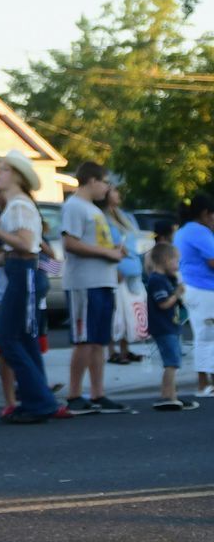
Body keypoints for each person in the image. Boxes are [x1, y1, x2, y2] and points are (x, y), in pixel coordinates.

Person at [0, 153, 62, 423]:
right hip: (22, 272)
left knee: (8, 338)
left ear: (16, 174)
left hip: (24, 272)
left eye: (2, 170)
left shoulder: (18, 206)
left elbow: (26, 245)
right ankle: (37, 400)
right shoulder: (18, 205)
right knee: (24, 339)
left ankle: (39, 401)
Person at [59, 162, 122, 416]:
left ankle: (98, 392)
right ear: (92, 181)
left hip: (102, 281)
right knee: (84, 340)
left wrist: (115, 253)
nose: (107, 188)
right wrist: (107, 253)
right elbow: (70, 243)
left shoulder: (92, 209)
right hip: (84, 283)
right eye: (105, 182)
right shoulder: (74, 206)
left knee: (98, 340)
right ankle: (74, 394)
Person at [143, 228, 192, 411]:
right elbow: (163, 303)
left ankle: (172, 395)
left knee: (174, 361)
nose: (178, 264)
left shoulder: (165, 279)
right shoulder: (157, 281)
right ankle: (167, 396)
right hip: (164, 327)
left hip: (171, 326)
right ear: (165, 260)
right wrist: (177, 294)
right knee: (171, 363)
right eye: (175, 260)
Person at [102, 175, 145, 363]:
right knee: (116, 312)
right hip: (115, 270)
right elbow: (105, 245)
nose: (118, 194)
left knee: (129, 311)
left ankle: (125, 349)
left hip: (132, 269)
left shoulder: (124, 216)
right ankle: (112, 351)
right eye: (115, 190)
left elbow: (134, 243)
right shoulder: (101, 217)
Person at [177, 187, 214, 398]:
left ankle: (207, 382)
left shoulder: (185, 230)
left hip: (194, 288)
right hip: (203, 289)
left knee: (206, 336)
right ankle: (203, 384)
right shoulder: (200, 232)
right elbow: (212, 261)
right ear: (205, 213)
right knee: (206, 336)